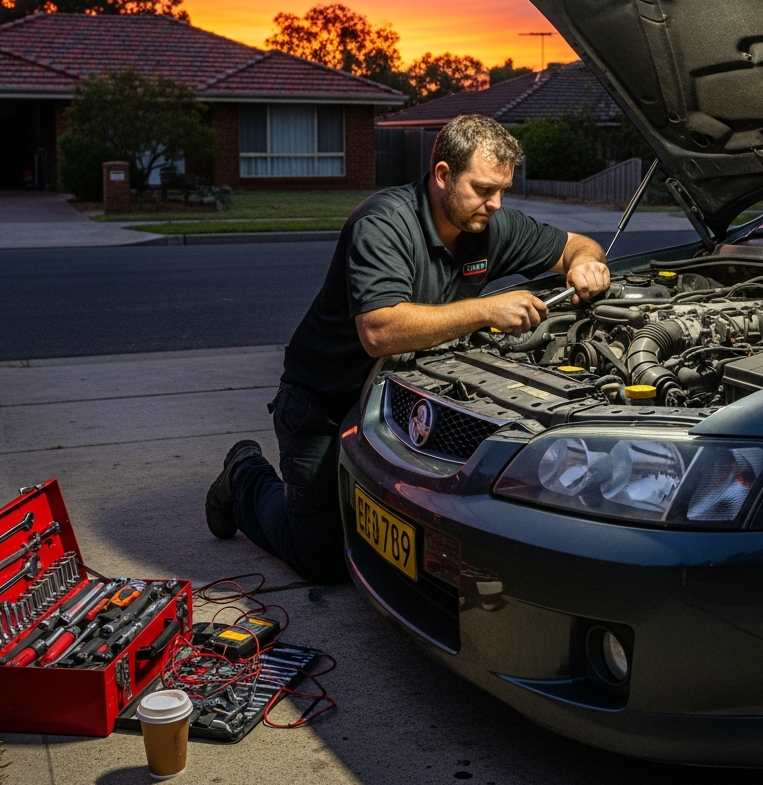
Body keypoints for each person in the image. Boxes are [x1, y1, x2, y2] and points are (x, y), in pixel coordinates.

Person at [205, 115, 611, 583]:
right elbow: (379, 331)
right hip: (325, 400)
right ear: (442, 175)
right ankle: (242, 477)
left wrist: (584, 265)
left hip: (402, 401)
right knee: (321, 561)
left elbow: (575, 245)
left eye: (502, 190)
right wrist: (487, 309)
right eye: (482, 189)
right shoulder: (383, 223)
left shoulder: (489, 223)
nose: (495, 204)